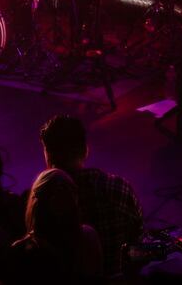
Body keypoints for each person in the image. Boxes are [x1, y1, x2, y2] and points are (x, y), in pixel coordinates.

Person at [40, 115, 143, 275]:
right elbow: (138, 239)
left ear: (48, 154)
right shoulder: (118, 188)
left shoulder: (40, 199)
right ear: (85, 149)